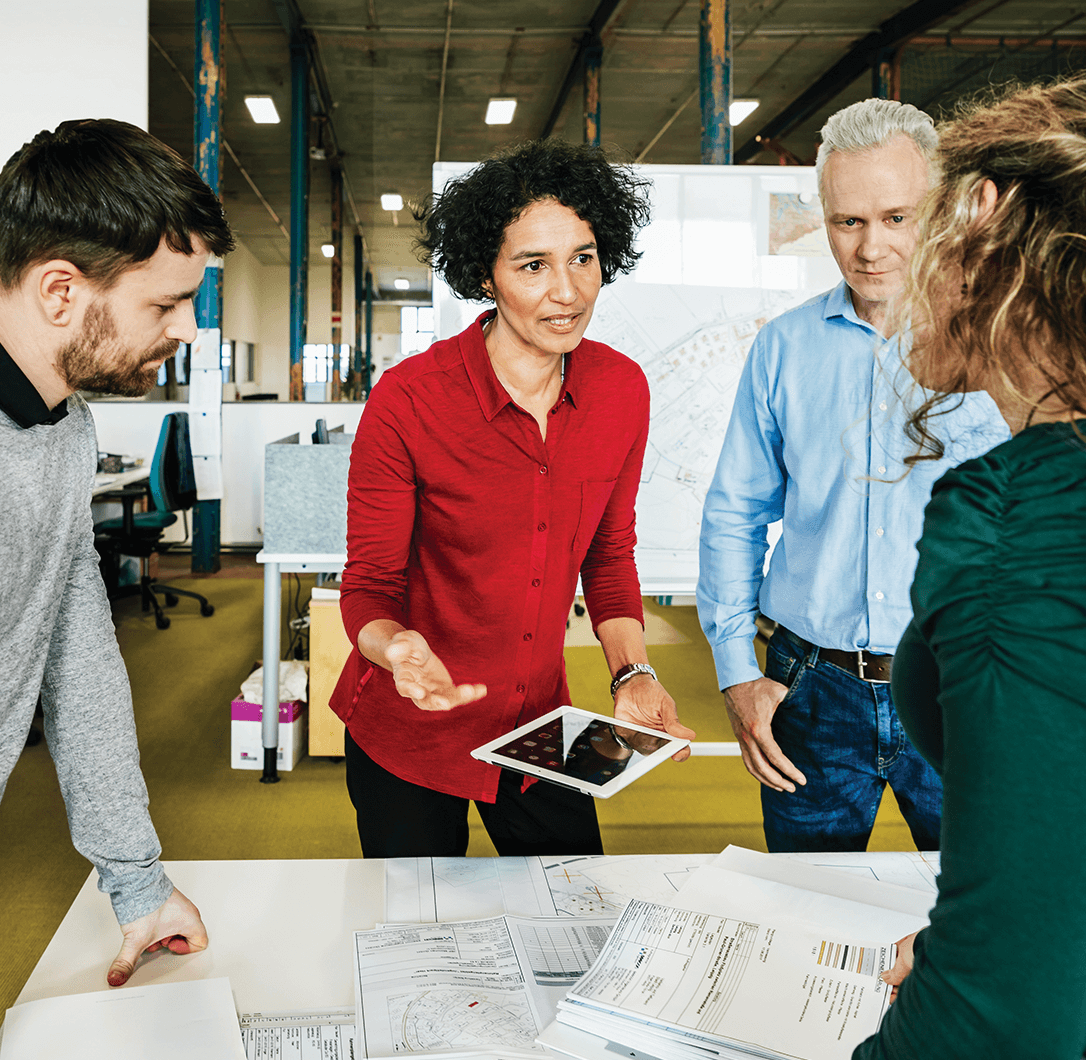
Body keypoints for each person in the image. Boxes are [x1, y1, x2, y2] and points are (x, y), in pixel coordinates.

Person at [330, 139, 694, 858]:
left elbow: (609, 553)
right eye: (534, 265)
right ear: (486, 277)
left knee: (576, 910)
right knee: (422, 931)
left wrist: (634, 673)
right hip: (411, 730)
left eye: (582, 258)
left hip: (540, 725)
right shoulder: (409, 400)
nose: (568, 292)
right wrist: (395, 647)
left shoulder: (622, 391)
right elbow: (368, 588)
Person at [696, 98, 1009, 853]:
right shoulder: (783, 349)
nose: (871, 247)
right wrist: (738, 673)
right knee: (804, 920)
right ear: (825, 219)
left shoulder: (1005, 344)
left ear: (942, 213)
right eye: (849, 222)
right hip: (811, 690)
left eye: (897, 218)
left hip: (966, 682)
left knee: (984, 928)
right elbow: (735, 514)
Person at [854, 76, 1086, 1060]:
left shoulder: (1018, 519)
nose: (891, 260)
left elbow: (1009, 1023)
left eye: (920, 218)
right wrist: (989, 941)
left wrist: (979, 973)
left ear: (983, 216)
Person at [0, 119, 234, 985]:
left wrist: (136, 881)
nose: (185, 329)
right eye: (165, 304)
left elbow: (77, 652)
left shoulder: (65, 427)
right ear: (60, 291)